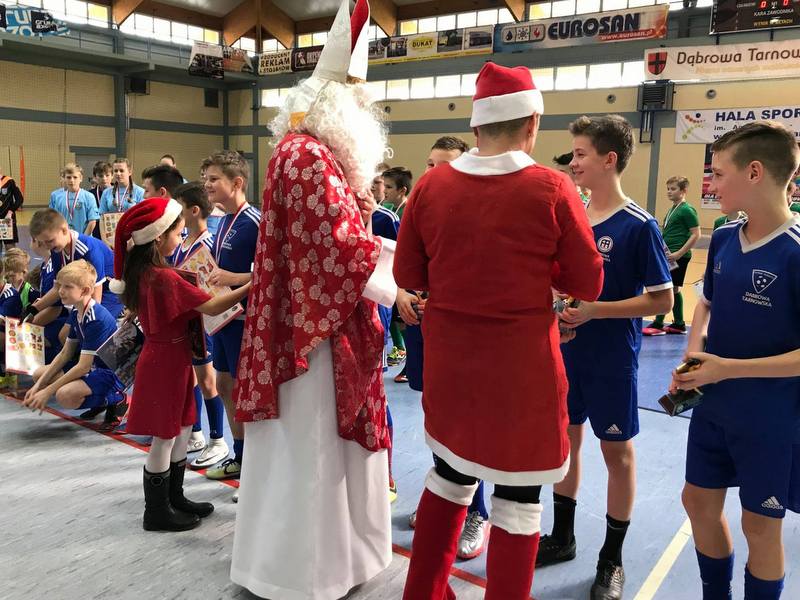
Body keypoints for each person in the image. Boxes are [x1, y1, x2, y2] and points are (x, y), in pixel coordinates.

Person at [396, 61, 603, 600]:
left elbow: (408, 272)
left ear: (475, 125)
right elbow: (587, 279)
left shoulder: (430, 186)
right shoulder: (552, 187)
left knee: (447, 480)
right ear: (532, 123)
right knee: (518, 503)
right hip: (522, 372)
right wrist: (539, 275)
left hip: (451, 367)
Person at [230, 0, 396, 597]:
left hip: (315, 321)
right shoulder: (307, 155)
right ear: (337, 104)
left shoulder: (305, 152)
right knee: (313, 449)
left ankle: (338, 560)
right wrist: (405, 281)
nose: (367, 112)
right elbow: (336, 248)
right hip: (312, 336)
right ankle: (305, 573)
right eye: (359, 100)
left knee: (315, 451)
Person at [537, 115, 674, 600]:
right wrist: (559, 305)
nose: (572, 163)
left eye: (580, 154)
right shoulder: (568, 216)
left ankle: (611, 558)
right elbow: (558, 281)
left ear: (609, 159)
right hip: (567, 353)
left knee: (616, 453)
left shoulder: (639, 225)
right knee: (565, 444)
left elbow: (662, 300)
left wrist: (597, 310)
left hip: (613, 359)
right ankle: (563, 537)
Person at [671, 121, 800, 600]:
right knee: (697, 501)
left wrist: (729, 368)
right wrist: (694, 354)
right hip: (713, 406)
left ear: (755, 172)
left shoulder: (794, 251)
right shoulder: (725, 238)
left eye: (719, 174)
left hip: (771, 416)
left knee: (760, 525)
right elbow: (706, 302)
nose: (712, 185)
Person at [108, 197, 251, 532]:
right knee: (165, 435)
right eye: (177, 233)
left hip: (171, 357)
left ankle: (174, 496)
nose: (181, 238)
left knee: (183, 427)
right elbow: (213, 306)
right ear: (158, 237)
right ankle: (157, 510)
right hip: (165, 362)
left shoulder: (146, 273)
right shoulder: (163, 277)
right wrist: (252, 284)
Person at [403, 135, 493, 561]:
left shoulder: (477, 213)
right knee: (437, 423)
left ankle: (477, 512)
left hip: (466, 339)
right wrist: (402, 294)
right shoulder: (417, 208)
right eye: (429, 164)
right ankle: (442, 499)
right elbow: (402, 269)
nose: (433, 173)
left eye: (444, 166)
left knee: (469, 428)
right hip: (425, 330)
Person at [202, 150, 260, 483]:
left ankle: (255, 467)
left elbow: (274, 272)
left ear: (236, 183)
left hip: (245, 321)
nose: (207, 185)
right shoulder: (222, 220)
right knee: (224, 384)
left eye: (214, 179)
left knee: (244, 391)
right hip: (222, 319)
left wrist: (232, 278)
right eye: (206, 179)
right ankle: (240, 456)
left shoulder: (255, 221)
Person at [172, 181, 230, 469]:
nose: (175, 213)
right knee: (190, 377)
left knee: (208, 381)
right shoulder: (181, 241)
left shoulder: (208, 244)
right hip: (186, 319)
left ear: (194, 211)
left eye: (179, 207)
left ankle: (218, 440)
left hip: (204, 320)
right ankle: (195, 432)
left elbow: (215, 286)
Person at [22, 260, 124, 417]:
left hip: (109, 371)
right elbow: (65, 353)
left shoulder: (96, 318)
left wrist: (47, 391)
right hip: (92, 366)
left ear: (85, 290)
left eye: (67, 287)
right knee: (39, 375)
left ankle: (116, 398)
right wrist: (38, 386)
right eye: (60, 286)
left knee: (65, 396)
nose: (60, 291)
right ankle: (97, 398)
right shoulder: (77, 311)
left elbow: (83, 367)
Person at [26, 209, 124, 321]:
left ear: (64, 229)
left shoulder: (88, 250)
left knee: (93, 325)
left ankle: (120, 314)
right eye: (42, 243)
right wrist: (34, 309)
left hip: (110, 292)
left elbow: (96, 300)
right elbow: (58, 287)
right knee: (65, 330)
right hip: (85, 292)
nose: (47, 246)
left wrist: (83, 322)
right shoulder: (56, 249)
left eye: (49, 241)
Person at [643, 176, 701, 336]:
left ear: (684, 190)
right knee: (673, 288)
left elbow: (696, 234)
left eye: (673, 189)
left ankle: (659, 323)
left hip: (678, 256)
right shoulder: (673, 209)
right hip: (669, 255)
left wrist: (679, 254)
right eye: (668, 189)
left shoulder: (687, 210)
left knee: (667, 287)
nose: (669, 192)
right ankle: (679, 324)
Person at [382, 166, 412, 374]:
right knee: (391, 310)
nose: (384, 191)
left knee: (405, 316)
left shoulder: (407, 211)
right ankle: (401, 349)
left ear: (402, 190)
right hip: (390, 269)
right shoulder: (387, 208)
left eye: (389, 187)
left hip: (405, 271)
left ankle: (406, 355)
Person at [49, 163, 99, 236]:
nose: (72, 180)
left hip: (83, 238)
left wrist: (83, 239)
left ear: (81, 178)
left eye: (75, 177)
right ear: (64, 179)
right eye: (68, 177)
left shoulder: (89, 196)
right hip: (65, 238)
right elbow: (56, 220)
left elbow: (92, 221)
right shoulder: (58, 198)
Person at [88, 161, 113, 240]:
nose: (104, 178)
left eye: (107, 175)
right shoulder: (90, 195)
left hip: (114, 230)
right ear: (95, 177)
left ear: (112, 176)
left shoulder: (118, 193)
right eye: (101, 176)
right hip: (96, 233)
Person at [0, 166, 24, 245]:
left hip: (6, 219)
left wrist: (10, 212)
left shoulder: (9, 181)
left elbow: (19, 199)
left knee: (10, 248)